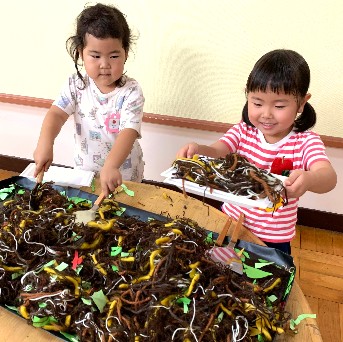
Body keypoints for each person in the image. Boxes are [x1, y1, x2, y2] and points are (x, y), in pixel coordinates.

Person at [177, 49, 337, 254]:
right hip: (231, 223)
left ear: (302, 103)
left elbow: (328, 177)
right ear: (247, 95)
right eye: (257, 103)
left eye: (279, 105)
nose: (266, 114)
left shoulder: (305, 142)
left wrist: (309, 179)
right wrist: (198, 149)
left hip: (273, 239)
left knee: (265, 281)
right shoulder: (244, 131)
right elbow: (219, 150)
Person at [33, 3, 144, 197]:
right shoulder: (76, 85)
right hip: (85, 174)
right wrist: (45, 143)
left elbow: (129, 131)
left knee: (124, 220)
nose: (105, 64)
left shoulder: (131, 91)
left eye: (114, 55)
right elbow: (57, 114)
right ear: (80, 53)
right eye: (95, 55)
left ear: (126, 53)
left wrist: (111, 165)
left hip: (122, 176)